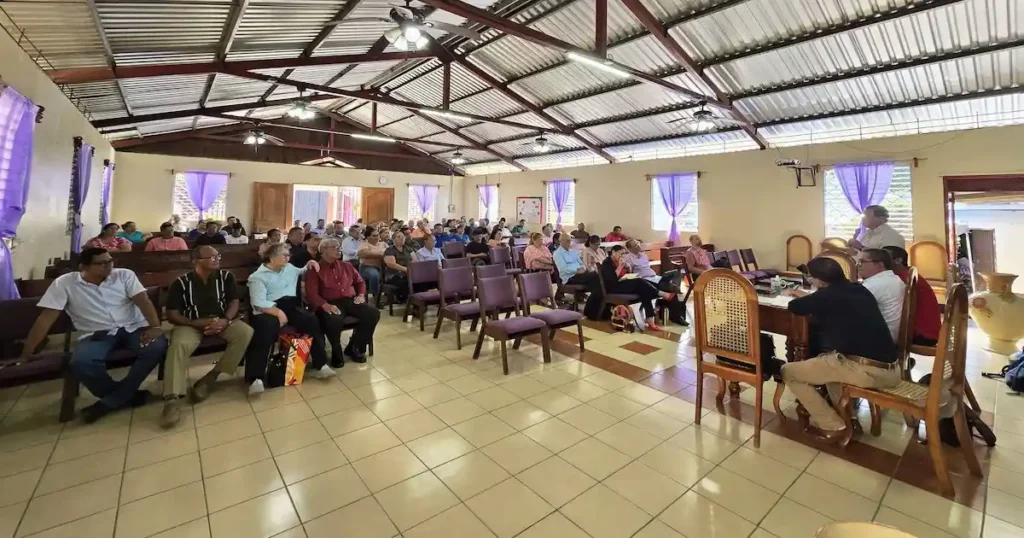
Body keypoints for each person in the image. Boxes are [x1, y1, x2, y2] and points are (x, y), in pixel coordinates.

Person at [21, 248, 167, 423]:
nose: (109, 266)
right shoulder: (65, 283)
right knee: (81, 362)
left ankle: (111, 402)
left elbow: (143, 301)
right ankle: (125, 396)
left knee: (157, 346)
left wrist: (155, 327)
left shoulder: (124, 275)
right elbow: (46, 318)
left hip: (133, 328)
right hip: (97, 334)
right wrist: (27, 350)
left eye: (110, 261)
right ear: (84, 266)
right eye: (102, 263)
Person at [780, 257, 900, 441]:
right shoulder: (858, 289)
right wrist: (814, 296)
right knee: (829, 364)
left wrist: (805, 295)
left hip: (864, 370)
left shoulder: (826, 296)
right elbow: (829, 302)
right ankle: (849, 420)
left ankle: (833, 426)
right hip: (891, 369)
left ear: (819, 280)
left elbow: (794, 306)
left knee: (789, 372)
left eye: (811, 278)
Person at [162, 246, 254, 427]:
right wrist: (193, 323)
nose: (216, 259)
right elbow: (172, 314)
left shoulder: (226, 277)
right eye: (210, 257)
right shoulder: (181, 283)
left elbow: (234, 301)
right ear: (196, 261)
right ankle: (172, 399)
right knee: (178, 345)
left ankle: (211, 377)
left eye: (217, 255)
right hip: (191, 324)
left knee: (245, 332)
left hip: (221, 321)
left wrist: (226, 320)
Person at [246, 243, 334, 394]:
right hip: (268, 309)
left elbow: (303, 270)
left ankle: (321, 365)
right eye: (284, 255)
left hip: (291, 306)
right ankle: (256, 378)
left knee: (311, 321)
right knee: (265, 330)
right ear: (272, 257)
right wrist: (278, 313)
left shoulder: (290, 268)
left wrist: (310, 263)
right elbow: (258, 303)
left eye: (288, 255)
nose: (288, 258)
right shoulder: (257, 276)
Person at [306, 238, 379, 367]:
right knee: (334, 319)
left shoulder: (347, 266)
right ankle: (336, 351)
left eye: (339, 246)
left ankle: (355, 347)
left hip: (348, 300)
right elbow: (311, 293)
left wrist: (361, 295)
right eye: (334, 247)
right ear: (323, 250)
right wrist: (324, 305)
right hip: (329, 302)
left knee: (372, 313)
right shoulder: (315, 269)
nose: (338, 249)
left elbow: (360, 282)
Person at [600, 245, 669, 331]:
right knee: (640, 282)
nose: (622, 256)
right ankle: (660, 294)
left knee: (644, 288)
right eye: (620, 253)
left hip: (622, 283)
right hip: (613, 287)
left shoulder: (619, 261)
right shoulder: (607, 262)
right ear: (613, 252)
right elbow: (612, 280)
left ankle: (650, 317)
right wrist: (620, 266)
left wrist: (628, 267)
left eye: (623, 254)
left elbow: (626, 274)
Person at [883, 246, 940, 346]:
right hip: (926, 332)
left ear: (898, 260)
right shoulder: (906, 274)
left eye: (885, 258)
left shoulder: (903, 279)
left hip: (922, 334)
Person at [623, 239, 687, 325]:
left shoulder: (643, 255)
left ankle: (675, 315)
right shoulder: (628, 258)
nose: (638, 246)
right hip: (644, 280)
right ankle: (675, 316)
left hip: (654, 277)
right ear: (630, 249)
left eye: (638, 244)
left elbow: (647, 268)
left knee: (672, 282)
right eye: (635, 245)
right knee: (669, 288)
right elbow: (629, 273)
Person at [857, 248, 905, 343]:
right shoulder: (893, 279)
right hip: (889, 334)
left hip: (879, 340)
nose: (858, 265)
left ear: (880, 265)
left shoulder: (876, 284)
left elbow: (850, 307)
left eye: (862, 261)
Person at [383, 232, 419, 301]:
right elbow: (391, 264)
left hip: (408, 274)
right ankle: (407, 301)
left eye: (403, 236)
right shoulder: (390, 250)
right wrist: (406, 269)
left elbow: (415, 261)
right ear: (393, 240)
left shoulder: (408, 249)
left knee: (420, 282)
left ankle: (418, 301)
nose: (402, 238)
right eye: (399, 237)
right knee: (406, 283)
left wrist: (411, 270)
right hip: (394, 275)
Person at [357, 227, 387, 298]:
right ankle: (376, 297)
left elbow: (389, 253)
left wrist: (376, 253)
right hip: (367, 267)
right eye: (374, 236)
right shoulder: (364, 245)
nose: (377, 237)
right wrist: (381, 253)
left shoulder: (383, 244)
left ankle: (391, 295)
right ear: (368, 237)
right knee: (374, 275)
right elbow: (364, 254)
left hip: (383, 266)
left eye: (378, 235)